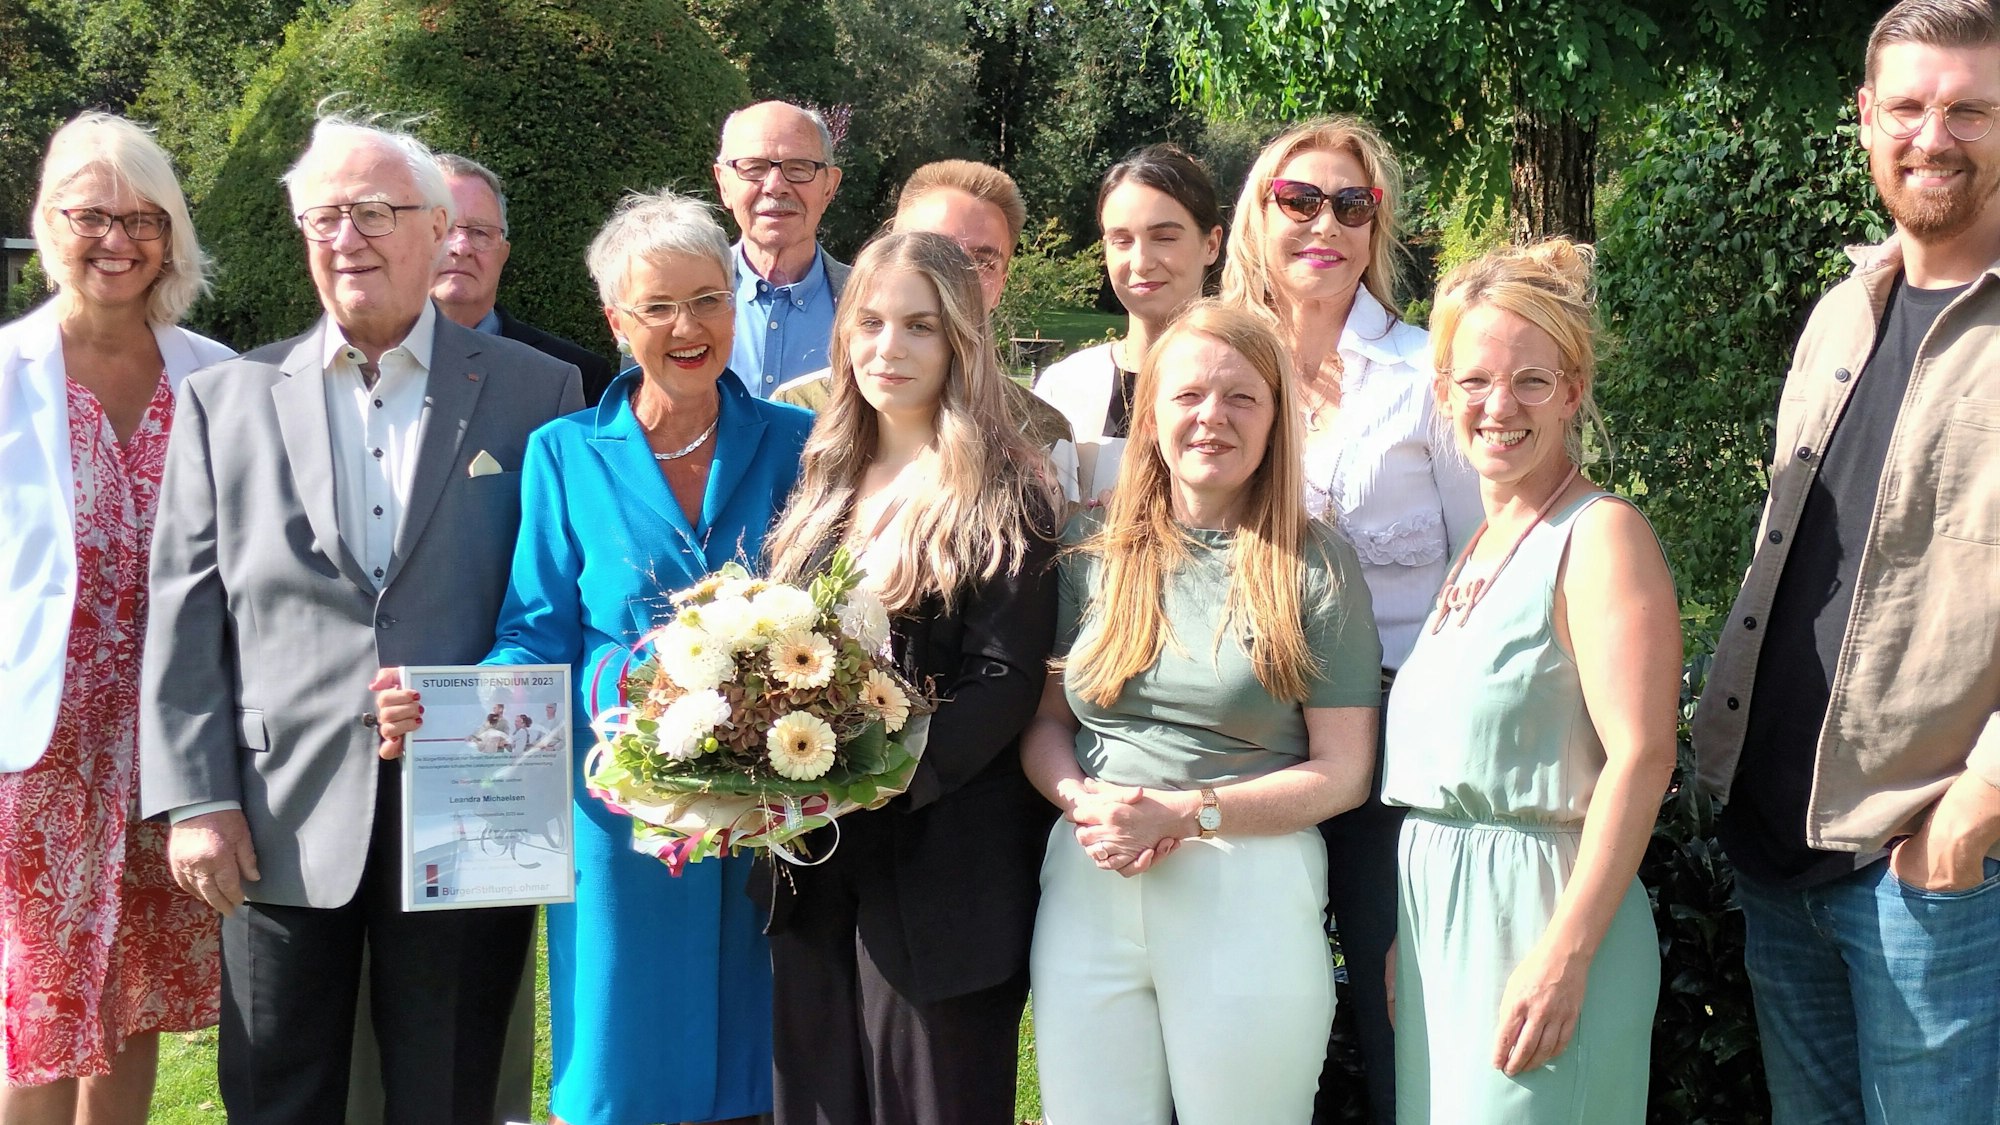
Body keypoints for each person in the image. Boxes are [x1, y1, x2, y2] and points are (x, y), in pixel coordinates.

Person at [137, 114, 583, 1125]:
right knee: (276, 1089)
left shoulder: (539, 393)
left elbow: (554, 591)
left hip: (473, 806)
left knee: (450, 1088)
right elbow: (184, 614)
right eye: (325, 216)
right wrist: (195, 799)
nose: (349, 237)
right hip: (275, 814)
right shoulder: (225, 400)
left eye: (376, 212)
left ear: (438, 231)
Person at [374, 188, 810, 1125]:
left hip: (771, 810)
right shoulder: (565, 452)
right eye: (658, 307)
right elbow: (536, 626)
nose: (687, 327)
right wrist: (453, 701)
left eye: (707, 299)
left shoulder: (798, 444)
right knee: (620, 1067)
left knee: (764, 1065)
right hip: (621, 805)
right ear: (615, 320)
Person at [1690, 2, 2000, 1120]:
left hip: (1933, 869)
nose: (1933, 136)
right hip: (1780, 851)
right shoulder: (1841, 311)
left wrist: (1977, 804)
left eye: (1969, 110)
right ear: (1865, 120)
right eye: (1909, 107)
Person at [1022, 299, 1384, 1125]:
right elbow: (1047, 724)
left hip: (1245, 881)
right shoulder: (1095, 545)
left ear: (1274, 419)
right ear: (1151, 413)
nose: (1210, 419)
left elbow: (1344, 771)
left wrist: (1184, 813)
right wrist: (1084, 800)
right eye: (1187, 396)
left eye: (1240, 398)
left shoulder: (1314, 563)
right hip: (1091, 875)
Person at [757, 230, 1060, 1125]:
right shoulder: (824, 476)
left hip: (942, 871)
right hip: (812, 866)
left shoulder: (1009, 490)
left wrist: (879, 782)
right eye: (873, 324)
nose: (891, 349)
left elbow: (1003, 681)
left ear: (961, 339)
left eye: (920, 327)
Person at [1221, 115, 1483, 1123]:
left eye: (1350, 204)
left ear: (1376, 226)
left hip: (1393, 729)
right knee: (1245, 1000)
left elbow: (1476, 567)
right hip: (1242, 726)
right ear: (1257, 214)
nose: (1321, 223)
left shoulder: (1429, 373)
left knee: (1392, 995)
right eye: (1297, 201)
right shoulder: (1220, 360)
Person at [1384, 240, 1677, 1124]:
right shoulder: (1477, 544)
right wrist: (1413, 933)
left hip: (1543, 927)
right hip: (1444, 936)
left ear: (1573, 389)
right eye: (1473, 381)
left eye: (1531, 382)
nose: (1498, 405)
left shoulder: (1600, 536)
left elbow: (1642, 754)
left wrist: (1567, 954)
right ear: (1442, 393)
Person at [0, 111, 229, 1125]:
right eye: (91, 216)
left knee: (133, 998)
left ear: (170, 235)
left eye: (143, 218)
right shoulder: (8, 375)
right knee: (36, 1005)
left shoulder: (221, 378)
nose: (118, 241)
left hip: (171, 742)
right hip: (38, 746)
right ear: (50, 223)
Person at [773, 160, 1078, 499]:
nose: (954, 276)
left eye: (981, 261)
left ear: (1002, 284)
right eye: (931, 251)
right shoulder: (800, 412)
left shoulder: (1040, 429)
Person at [1034, 144, 1223, 504]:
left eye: (1164, 238)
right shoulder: (1065, 390)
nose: (1141, 262)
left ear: (1211, 245)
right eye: (1121, 240)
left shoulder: (1249, 382)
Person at [432, 153, 616, 405]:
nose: (461, 247)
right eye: (443, 230)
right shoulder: (364, 356)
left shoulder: (577, 374)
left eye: (480, 232)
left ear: (503, 253)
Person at [714, 101, 850, 397]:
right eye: (753, 168)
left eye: (798, 169)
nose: (775, 186)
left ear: (829, 187)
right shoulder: (677, 299)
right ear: (724, 184)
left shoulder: (868, 302)